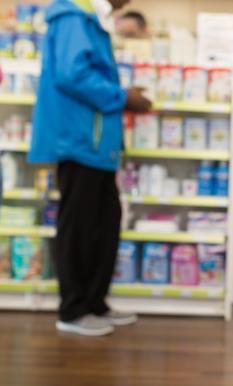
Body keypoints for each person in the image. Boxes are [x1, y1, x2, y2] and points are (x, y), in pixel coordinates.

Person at [28, 0, 151, 337]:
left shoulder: (91, 19)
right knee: (80, 226)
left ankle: (95, 303)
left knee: (104, 222)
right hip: (78, 139)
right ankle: (73, 309)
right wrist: (122, 96)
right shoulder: (72, 16)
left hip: (95, 142)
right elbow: (73, 73)